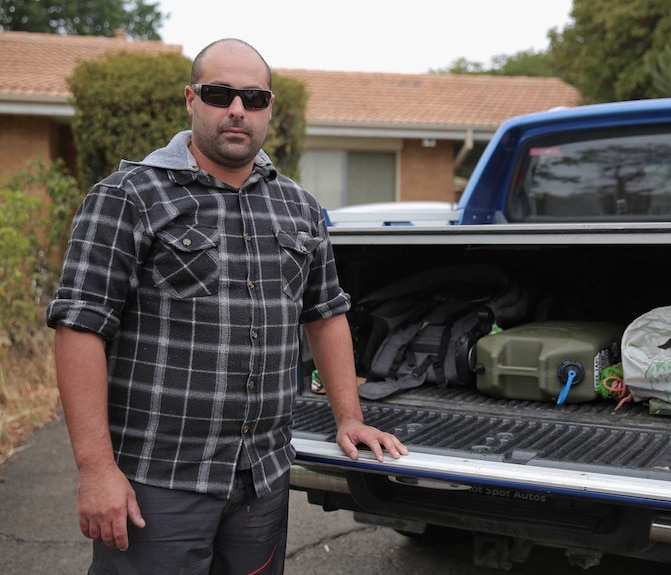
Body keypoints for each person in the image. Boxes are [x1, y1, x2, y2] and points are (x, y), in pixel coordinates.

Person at [47, 38, 408, 575]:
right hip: (158, 481)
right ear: (191, 100)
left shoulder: (299, 207)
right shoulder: (127, 197)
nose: (237, 109)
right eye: (220, 94)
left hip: (261, 479)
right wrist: (97, 470)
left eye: (253, 98)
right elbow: (79, 328)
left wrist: (348, 417)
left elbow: (326, 313)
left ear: (268, 109)